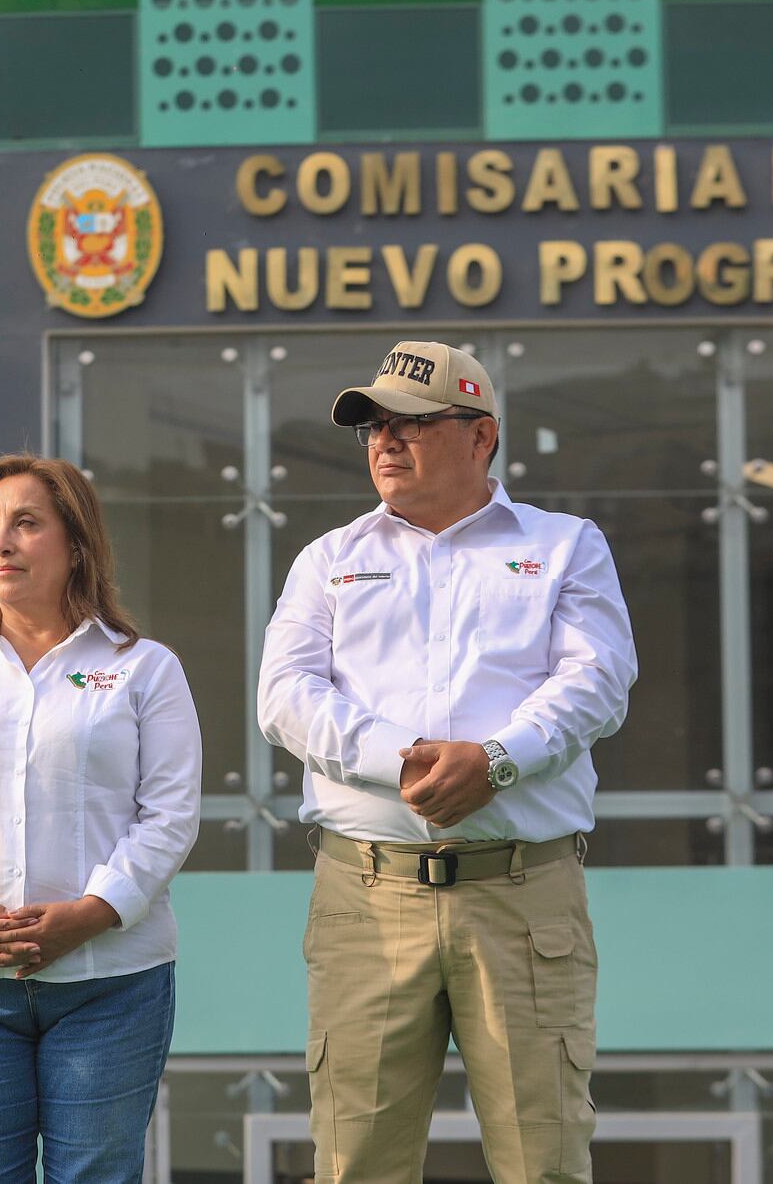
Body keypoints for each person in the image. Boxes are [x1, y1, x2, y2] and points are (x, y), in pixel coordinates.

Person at [258, 341, 636, 1184]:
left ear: (480, 435)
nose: (384, 443)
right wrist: (409, 762)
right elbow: (283, 695)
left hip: (523, 893)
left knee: (545, 1164)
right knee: (355, 1167)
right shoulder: (326, 558)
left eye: (411, 424)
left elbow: (598, 679)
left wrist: (496, 761)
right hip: (365, 890)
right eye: (373, 427)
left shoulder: (567, 544)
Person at [0, 453, 203, 1184]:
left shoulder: (146, 668)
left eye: (25, 523)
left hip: (111, 978)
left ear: (76, 543)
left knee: (97, 1175)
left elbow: (170, 814)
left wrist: (90, 912)